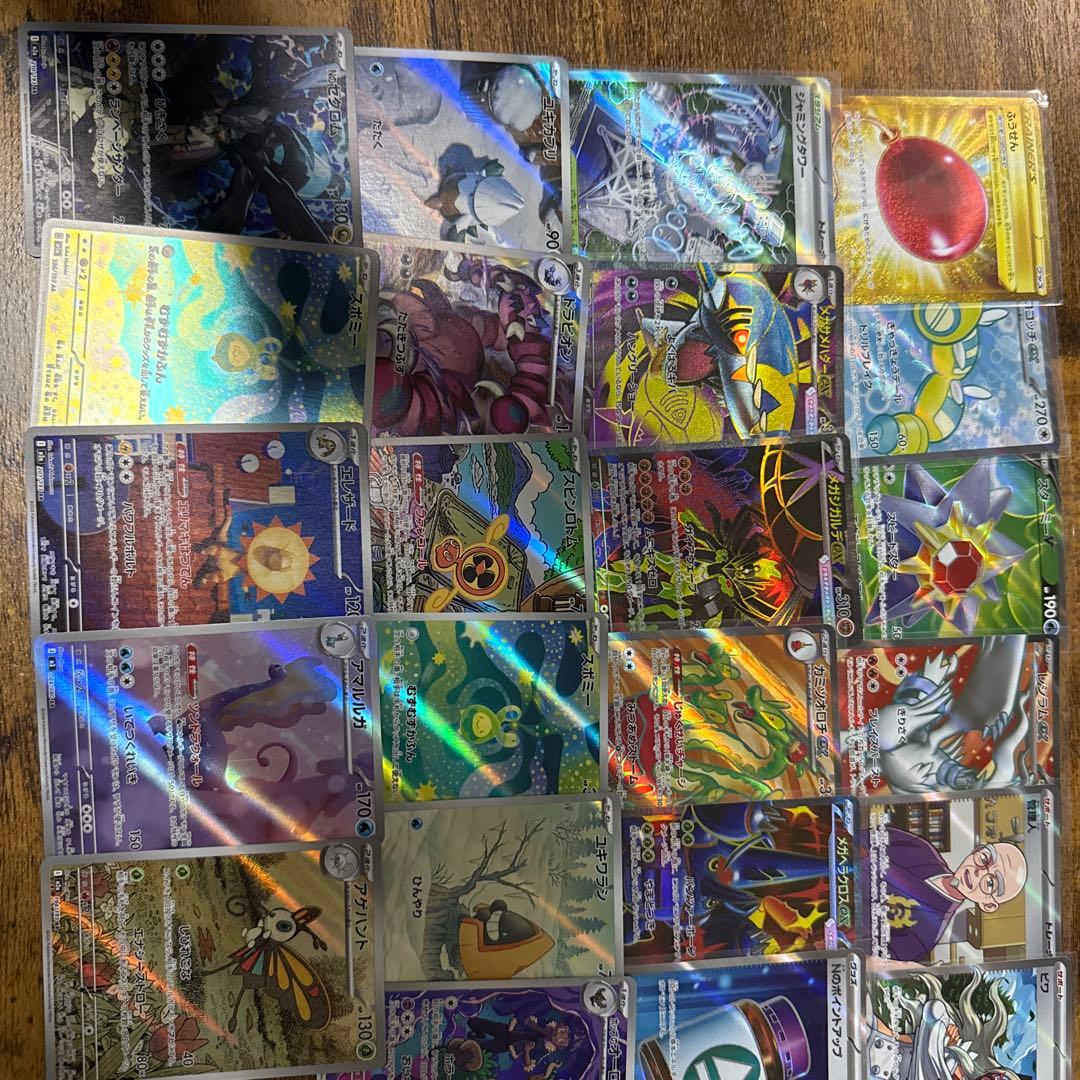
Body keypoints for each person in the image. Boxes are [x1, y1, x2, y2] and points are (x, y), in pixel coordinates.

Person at [882, 830, 1027, 961]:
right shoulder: (922, 850)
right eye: (984, 859)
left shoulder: (925, 937)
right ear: (976, 851)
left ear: (988, 905)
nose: (979, 872)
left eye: (990, 882)